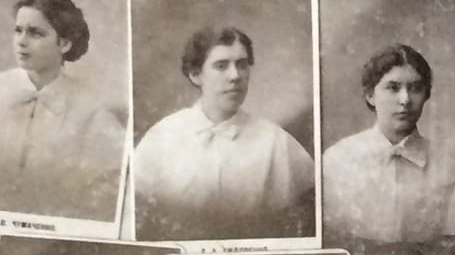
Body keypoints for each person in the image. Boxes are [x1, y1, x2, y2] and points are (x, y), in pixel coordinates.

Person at [0, 0, 126, 221]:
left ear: (64, 44)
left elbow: (111, 186)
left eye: (36, 33)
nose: (21, 42)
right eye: (18, 31)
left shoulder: (90, 114)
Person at [130, 24, 318, 241]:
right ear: (196, 75)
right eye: (221, 66)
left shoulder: (276, 142)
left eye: (242, 65)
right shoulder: (163, 136)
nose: (235, 76)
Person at [320, 43, 455, 255]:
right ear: (370, 95)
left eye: (415, 88)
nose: (405, 99)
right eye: (393, 88)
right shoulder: (337, 160)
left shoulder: (445, 168)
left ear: (426, 95)